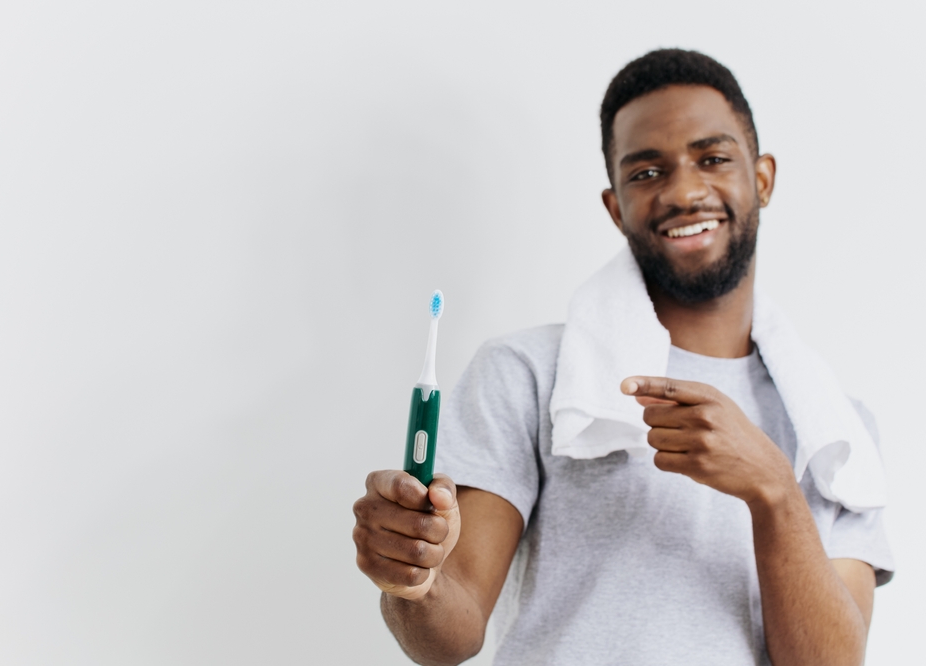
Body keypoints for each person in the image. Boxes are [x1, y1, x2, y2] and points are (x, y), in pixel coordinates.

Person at [352, 49, 894, 666]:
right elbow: (449, 636)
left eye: (713, 159)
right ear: (615, 207)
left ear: (763, 178)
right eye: (646, 173)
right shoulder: (530, 375)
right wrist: (413, 580)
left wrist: (773, 488)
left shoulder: (836, 433)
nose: (684, 191)